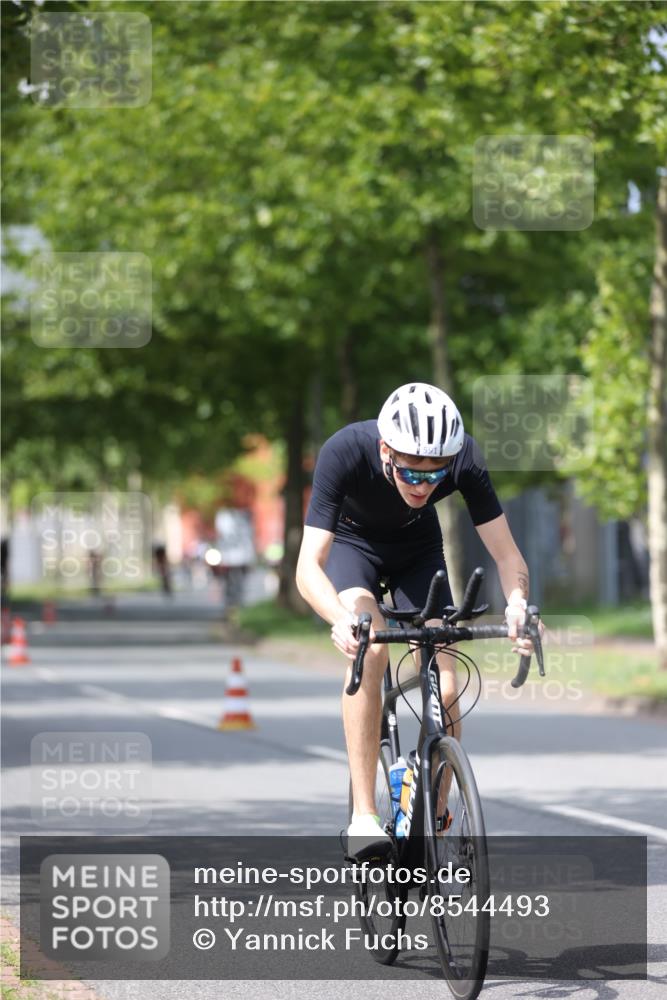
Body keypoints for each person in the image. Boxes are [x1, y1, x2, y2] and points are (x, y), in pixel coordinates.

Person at [295, 382, 535, 854]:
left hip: (418, 552)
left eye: (434, 477)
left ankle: (436, 816)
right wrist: (339, 618)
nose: (423, 487)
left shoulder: (464, 457)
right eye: (410, 474)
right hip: (353, 548)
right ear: (386, 450)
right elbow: (307, 566)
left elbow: (508, 555)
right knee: (374, 645)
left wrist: (518, 605)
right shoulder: (344, 451)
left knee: (447, 686)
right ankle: (364, 814)